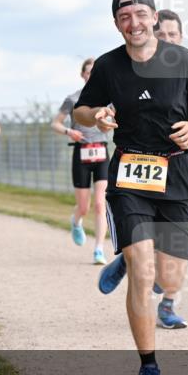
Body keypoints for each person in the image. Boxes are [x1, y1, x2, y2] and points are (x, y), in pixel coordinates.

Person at [73, 0, 188, 375]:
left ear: (154, 18)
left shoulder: (183, 60)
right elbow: (81, 109)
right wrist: (97, 115)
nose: (133, 23)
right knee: (143, 272)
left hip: (177, 171)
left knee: (168, 278)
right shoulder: (108, 66)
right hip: (131, 175)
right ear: (117, 23)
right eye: (124, 17)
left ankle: (138, 258)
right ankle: (149, 366)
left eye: (140, 14)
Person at [51, 58, 110, 265]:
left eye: (95, 72)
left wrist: (105, 125)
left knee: (100, 204)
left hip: (101, 152)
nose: (92, 75)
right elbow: (55, 124)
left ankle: (99, 250)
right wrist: (69, 131)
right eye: (88, 72)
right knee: (84, 206)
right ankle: (76, 221)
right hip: (81, 153)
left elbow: (108, 126)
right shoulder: (73, 98)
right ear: (83, 75)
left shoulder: (107, 99)